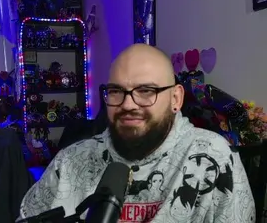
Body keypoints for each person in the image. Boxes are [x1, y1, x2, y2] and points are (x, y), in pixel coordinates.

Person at [18, 44, 256, 222]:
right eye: (116, 91)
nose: (128, 104)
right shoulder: (70, 161)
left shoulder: (214, 158)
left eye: (146, 90)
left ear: (176, 98)